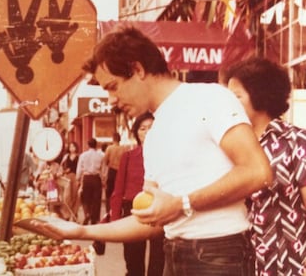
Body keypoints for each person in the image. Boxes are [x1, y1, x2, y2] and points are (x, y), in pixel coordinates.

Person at [28, 26, 272, 276]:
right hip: (173, 255)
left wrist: (182, 203)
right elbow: (151, 221)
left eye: (113, 86)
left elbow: (257, 171)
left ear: (138, 70)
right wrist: (80, 231)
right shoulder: (153, 135)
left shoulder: (209, 98)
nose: (111, 100)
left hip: (220, 255)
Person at [222, 57, 306, 275]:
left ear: (260, 95)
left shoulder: (295, 142)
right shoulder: (230, 146)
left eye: (236, 96)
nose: (229, 103)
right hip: (242, 265)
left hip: (291, 265)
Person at [110, 112, 164, 276]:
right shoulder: (128, 157)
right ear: (136, 133)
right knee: (133, 261)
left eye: (152, 128)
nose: (147, 132)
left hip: (160, 209)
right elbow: (118, 189)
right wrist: (115, 222)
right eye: (143, 128)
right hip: (133, 210)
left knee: (159, 260)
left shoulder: (167, 157)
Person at [76, 138, 104, 225]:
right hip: (96, 178)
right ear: (96, 146)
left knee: (85, 199)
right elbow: (103, 170)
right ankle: (94, 218)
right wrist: (103, 180)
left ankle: (87, 213)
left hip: (86, 178)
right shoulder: (101, 156)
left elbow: (79, 169)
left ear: (88, 145)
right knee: (96, 200)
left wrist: (78, 179)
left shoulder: (83, 155)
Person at [103, 132, 128, 212]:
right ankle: (118, 209)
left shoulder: (109, 148)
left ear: (113, 139)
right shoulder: (124, 149)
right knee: (119, 191)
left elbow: (105, 160)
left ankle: (109, 209)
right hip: (120, 172)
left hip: (111, 171)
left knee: (109, 192)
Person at [59, 141, 80, 221]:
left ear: (76, 148)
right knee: (67, 196)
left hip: (75, 177)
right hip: (67, 178)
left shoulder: (79, 157)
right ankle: (67, 214)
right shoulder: (66, 156)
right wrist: (64, 172)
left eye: (73, 147)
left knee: (75, 196)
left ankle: (74, 213)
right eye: (70, 147)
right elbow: (61, 166)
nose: (72, 148)